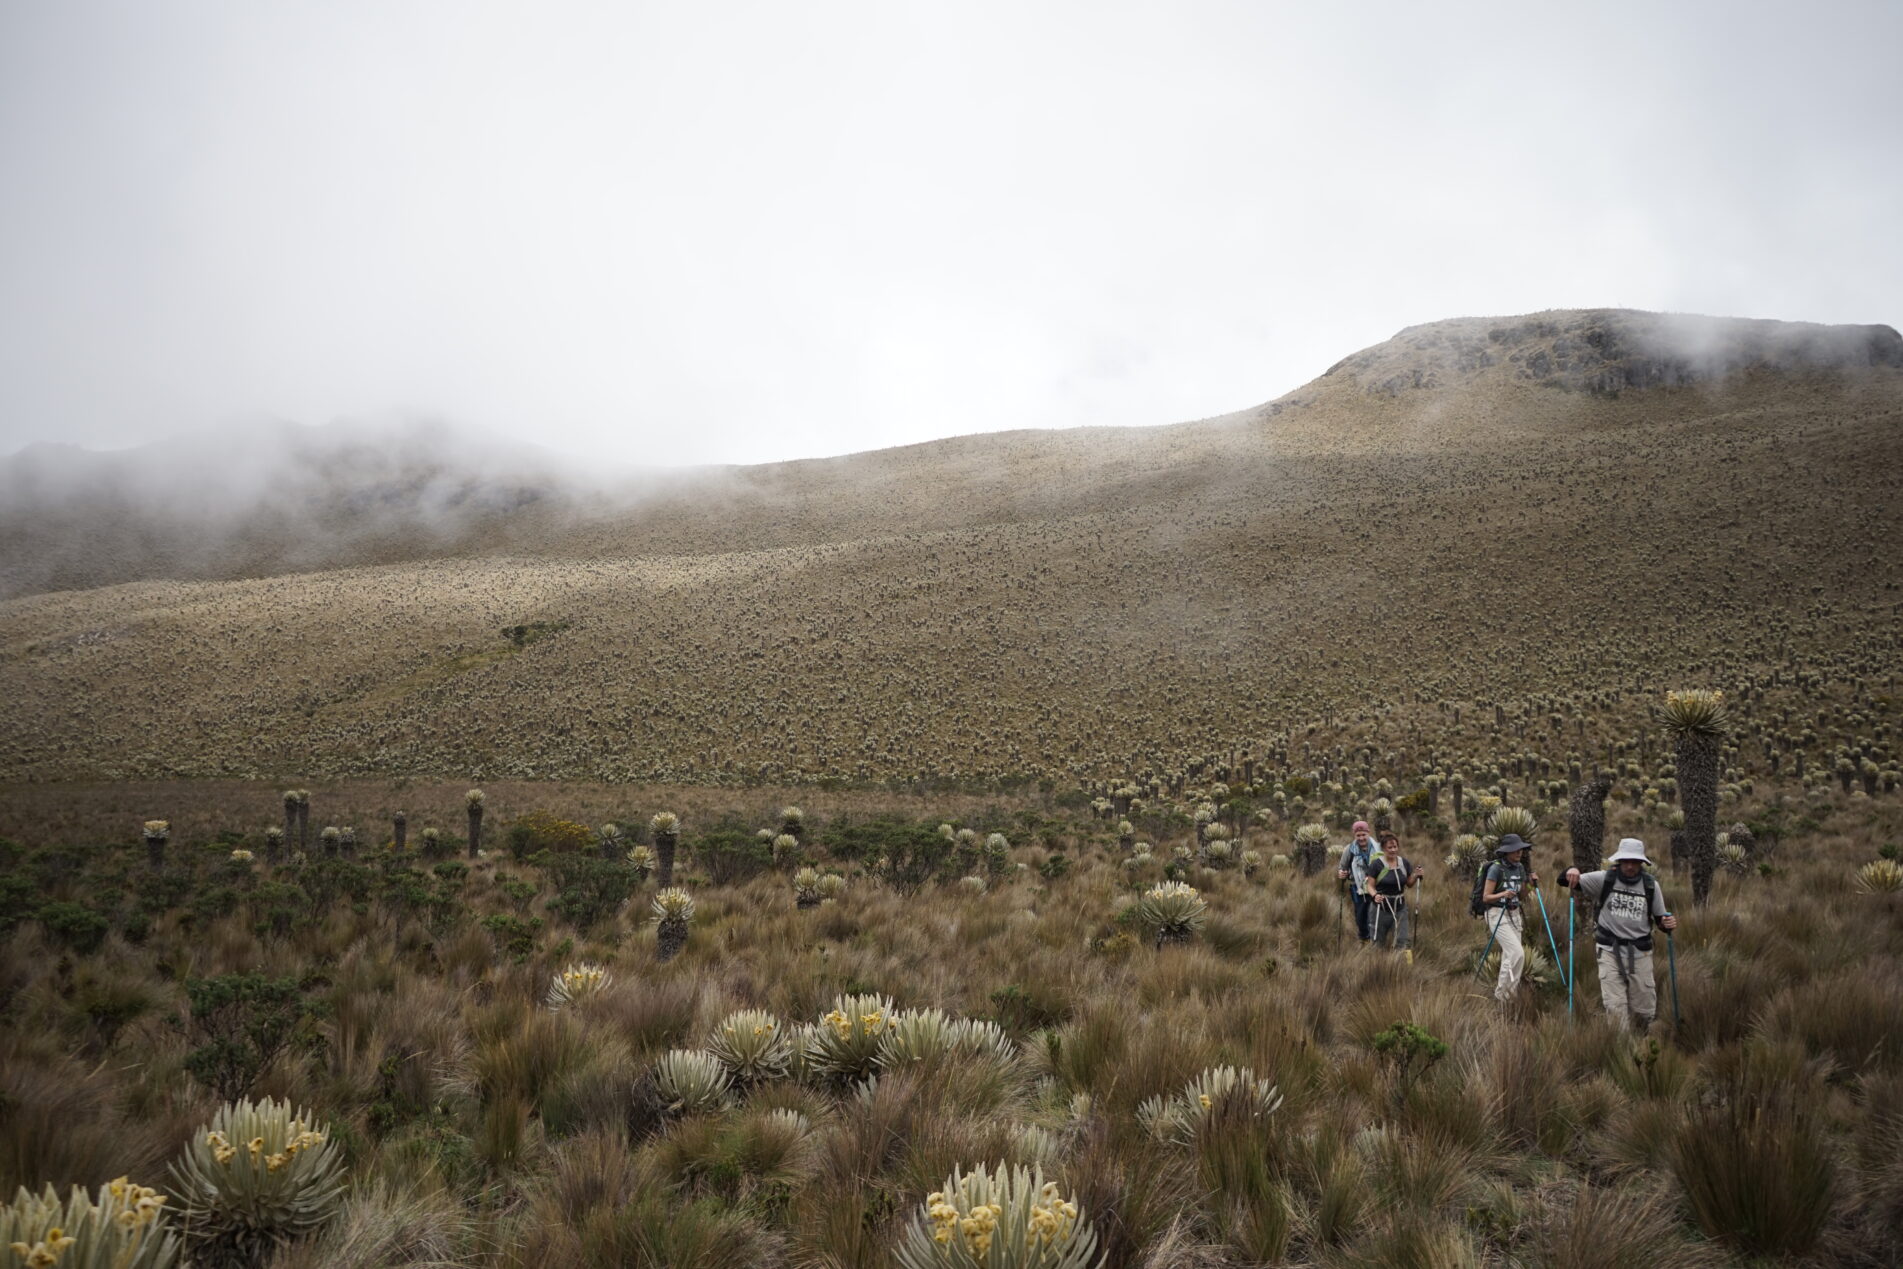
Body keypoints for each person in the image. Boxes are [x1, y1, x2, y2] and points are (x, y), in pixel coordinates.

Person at [1562, 839, 1679, 1032]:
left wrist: (1667, 924)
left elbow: (1660, 919)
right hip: (1609, 951)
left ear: (1642, 863)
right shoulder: (1604, 879)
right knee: (1615, 1008)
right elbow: (1565, 880)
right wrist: (1571, 870)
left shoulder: (1651, 886)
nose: (1630, 866)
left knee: (1644, 1011)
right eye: (1626, 861)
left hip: (1640, 952)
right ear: (1619, 861)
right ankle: (1620, 1050)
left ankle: (1641, 1050)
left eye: (1635, 862)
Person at [1480, 834, 1538, 1004]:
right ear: (1507, 851)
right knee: (1517, 953)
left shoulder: (1519, 867)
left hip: (1514, 914)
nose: (1519, 852)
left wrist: (1530, 885)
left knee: (1510, 956)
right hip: (1497, 914)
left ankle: (1507, 996)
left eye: (1521, 849)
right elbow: (1486, 897)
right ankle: (1503, 995)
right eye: (1516, 849)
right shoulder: (1495, 869)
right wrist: (1503, 894)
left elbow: (1522, 894)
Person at [1366, 831, 1422, 952]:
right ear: (1383, 848)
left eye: (1395, 847)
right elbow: (1369, 886)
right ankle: (1379, 966)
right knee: (1377, 942)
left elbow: (1409, 884)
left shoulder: (1404, 863)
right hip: (1380, 909)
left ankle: (1403, 967)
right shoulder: (1377, 865)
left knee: (1402, 940)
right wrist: (1375, 895)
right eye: (1389, 847)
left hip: (1400, 908)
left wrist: (1416, 875)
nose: (1393, 850)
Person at [1336, 821, 1377, 941]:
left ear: (1368, 833)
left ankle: (1375, 940)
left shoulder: (1378, 847)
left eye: (1363, 834)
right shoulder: (1349, 850)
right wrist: (1342, 873)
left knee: (1374, 914)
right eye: (1358, 835)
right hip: (1357, 888)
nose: (1361, 838)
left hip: (1375, 886)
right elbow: (1342, 867)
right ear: (1354, 835)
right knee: (1360, 915)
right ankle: (1364, 938)